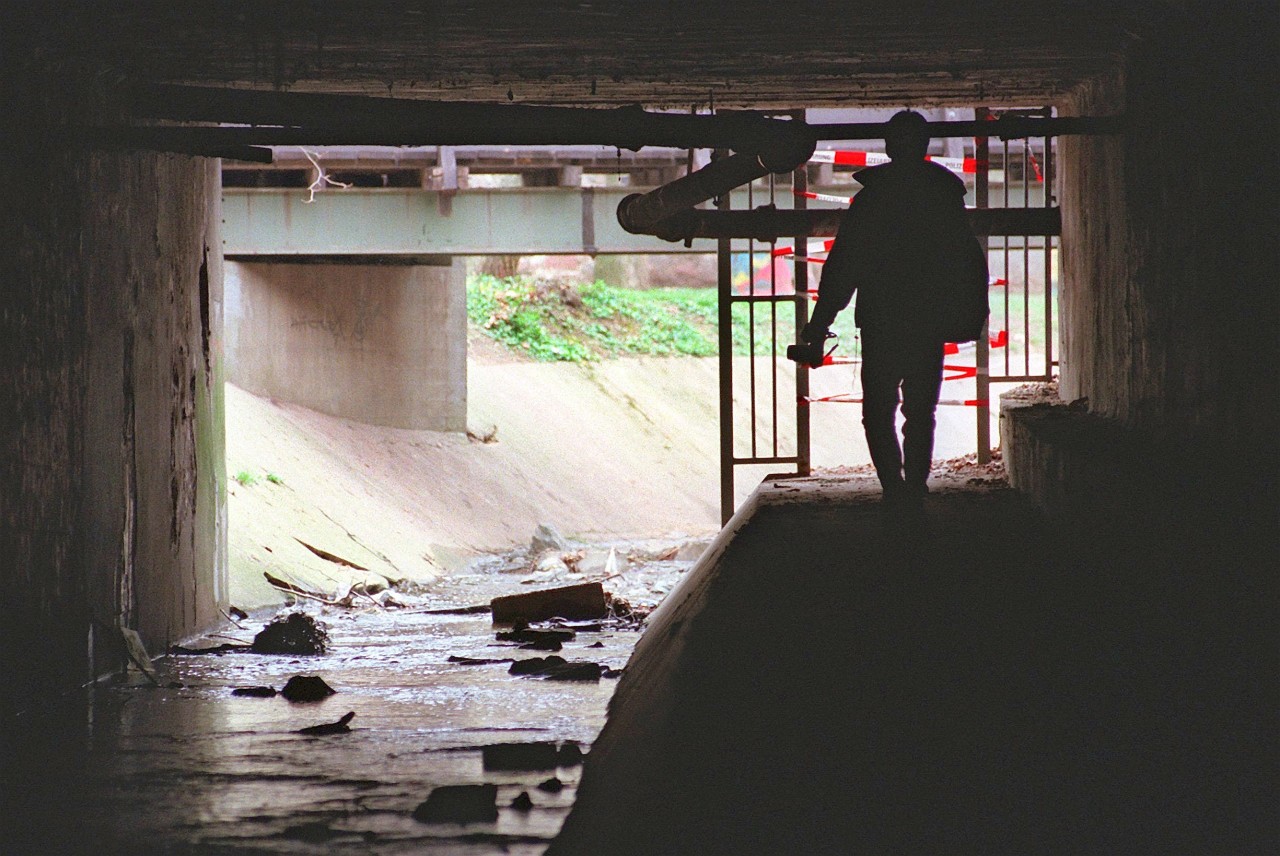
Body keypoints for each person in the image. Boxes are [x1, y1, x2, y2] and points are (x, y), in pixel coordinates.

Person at [798, 110, 988, 510]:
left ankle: (893, 487)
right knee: (922, 410)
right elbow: (967, 259)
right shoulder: (944, 197)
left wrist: (819, 325)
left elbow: (844, 265)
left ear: (887, 146)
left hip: (882, 321)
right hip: (928, 319)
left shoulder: (872, 200)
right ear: (924, 146)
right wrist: (972, 312)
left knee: (878, 411)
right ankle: (916, 486)